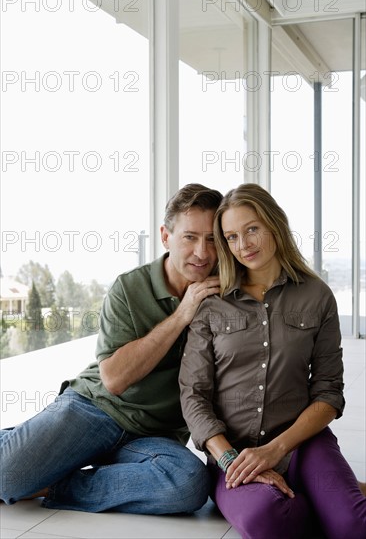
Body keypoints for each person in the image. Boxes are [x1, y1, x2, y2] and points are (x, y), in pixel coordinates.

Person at [0, 183, 223, 514]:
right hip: (95, 409)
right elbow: (115, 379)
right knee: (8, 478)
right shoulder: (129, 287)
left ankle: (56, 482)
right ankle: (24, 447)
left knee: (188, 484)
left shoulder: (225, 293)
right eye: (190, 237)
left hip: (155, 436)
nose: (202, 253)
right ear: (166, 236)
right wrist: (181, 315)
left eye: (212, 240)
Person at [179, 183, 366, 538]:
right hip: (233, 453)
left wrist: (276, 449)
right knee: (269, 517)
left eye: (252, 229)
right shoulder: (212, 304)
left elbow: (328, 393)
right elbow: (193, 395)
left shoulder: (317, 296)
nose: (244, 244)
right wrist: (231, 459)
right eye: (232, 237)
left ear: (274, 225)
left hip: (303, 443)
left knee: (353, 525)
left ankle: (332, 500)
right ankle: (326, 499)